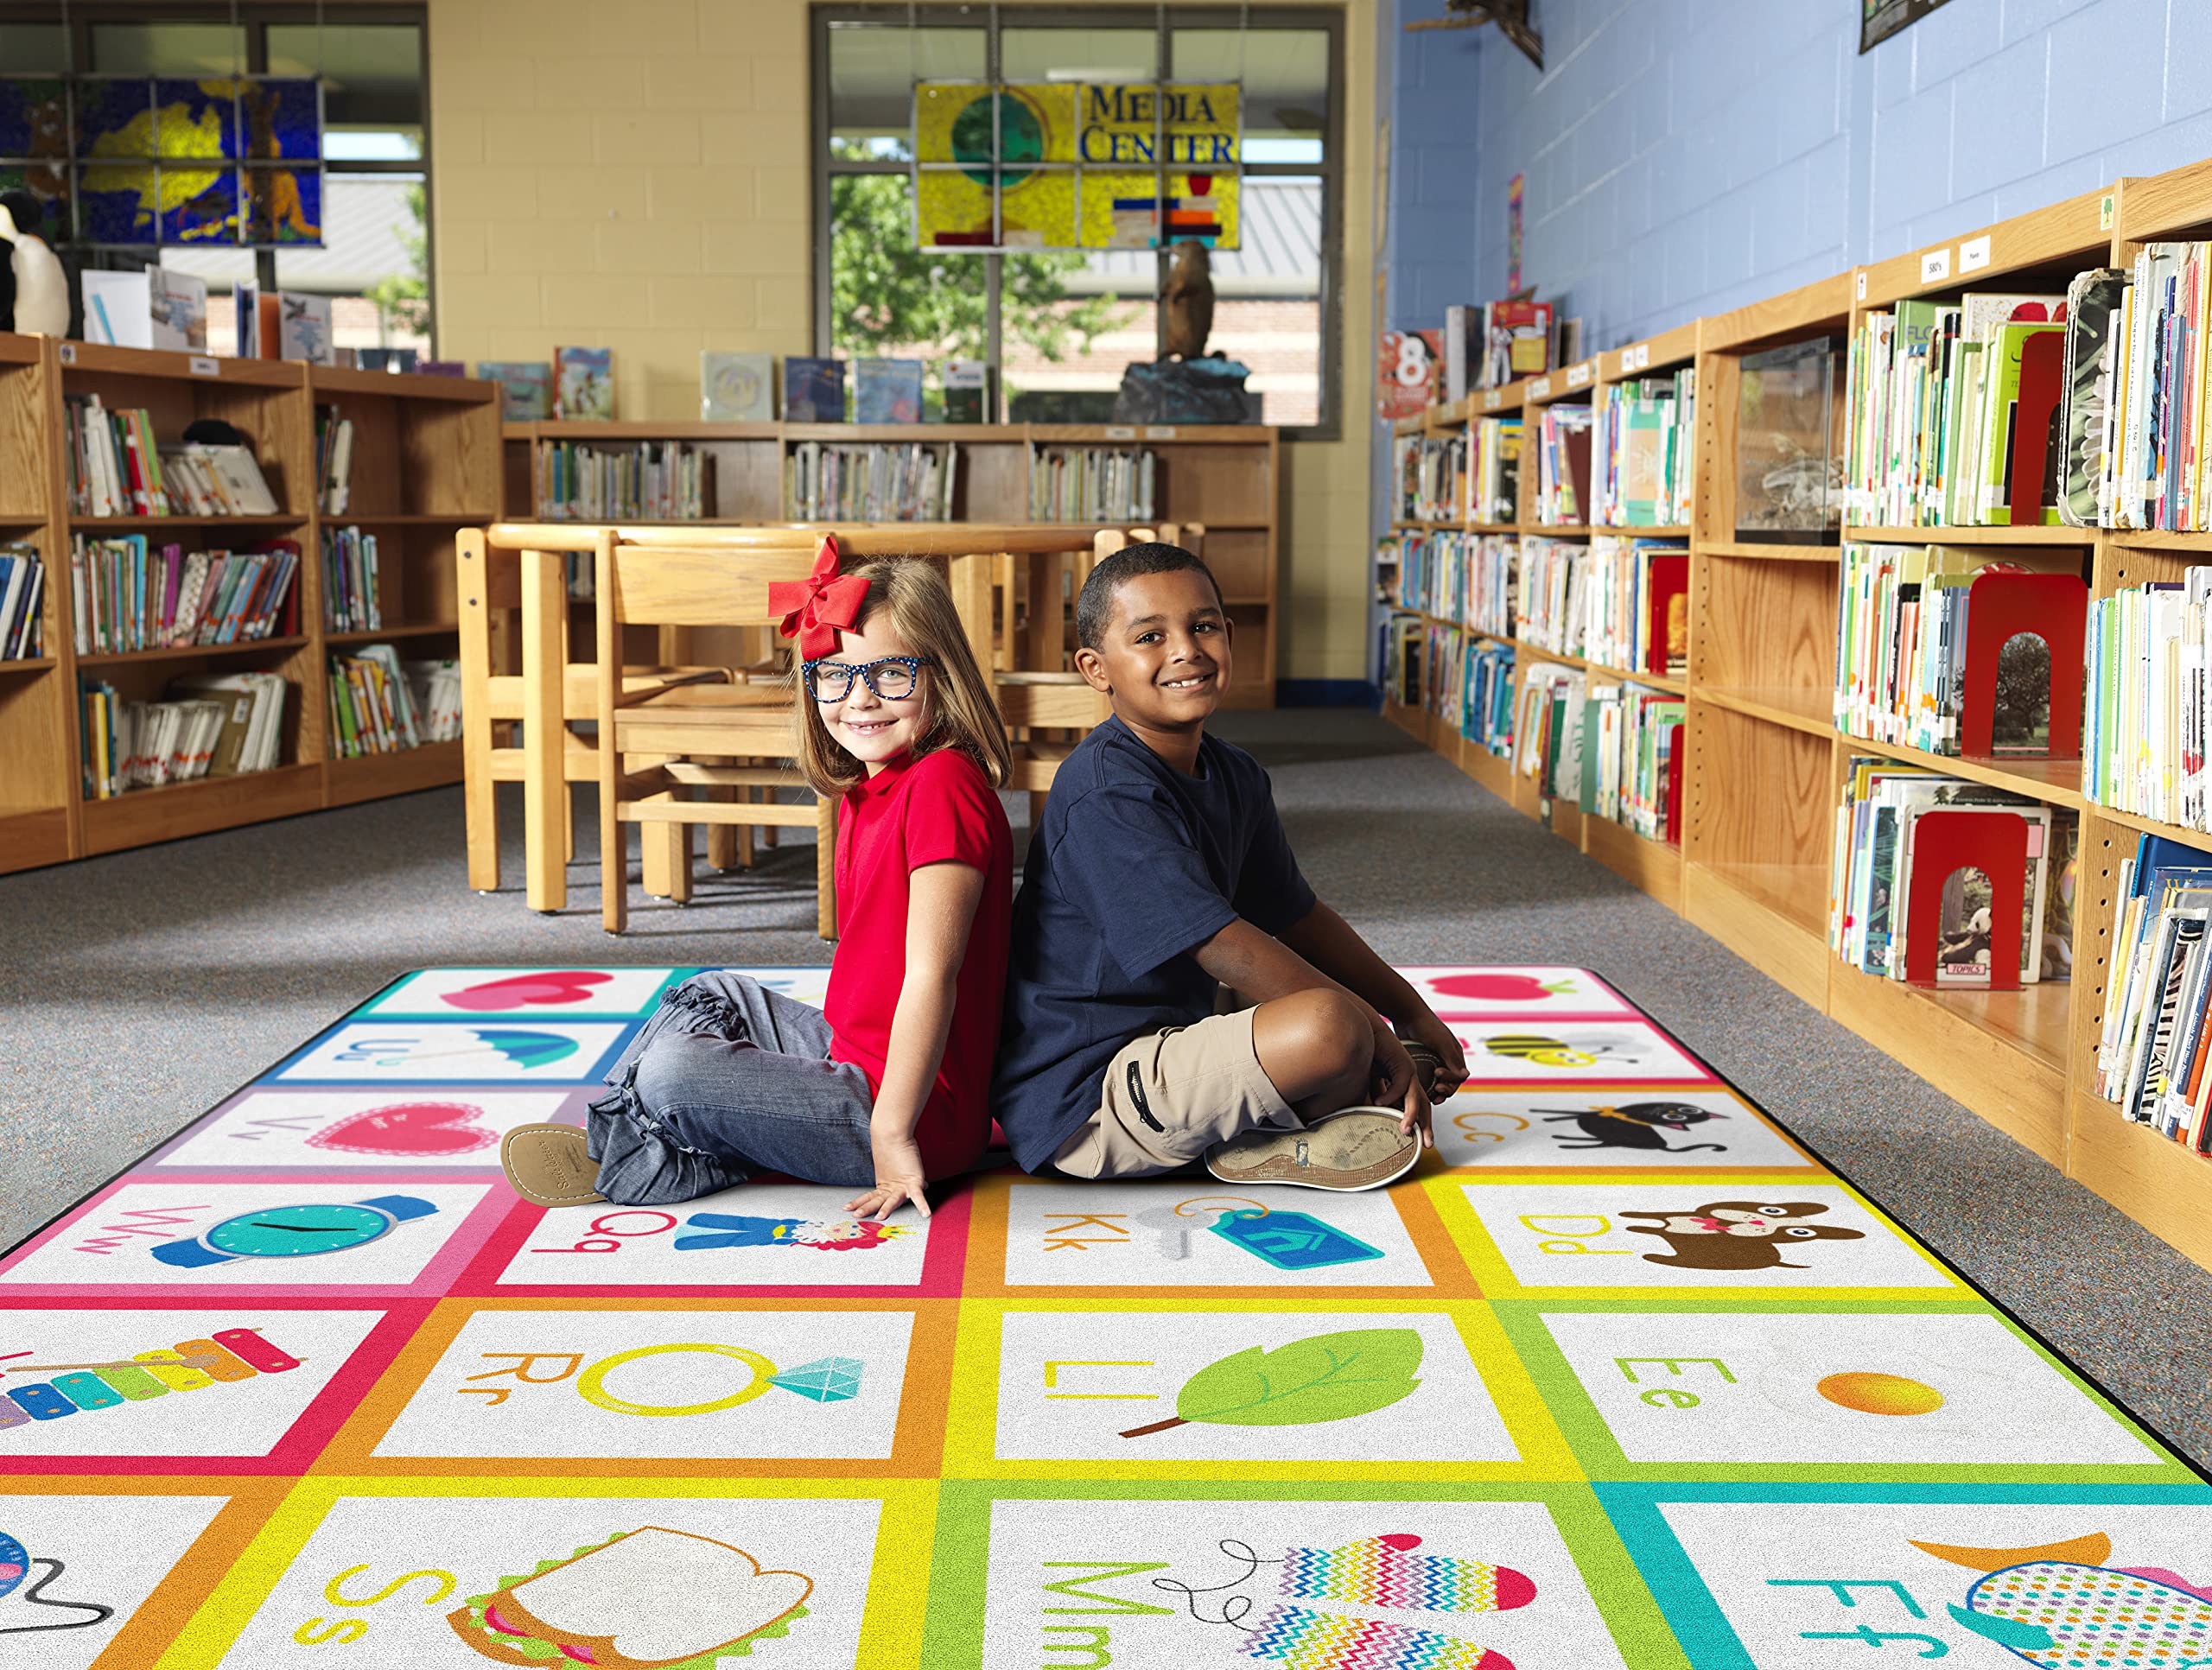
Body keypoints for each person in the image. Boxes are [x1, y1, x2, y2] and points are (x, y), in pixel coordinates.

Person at [500, 542, 1014, 1222]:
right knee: (712, 992)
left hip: (912, 1113)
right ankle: (657, 1126)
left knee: (673, 1073)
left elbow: (931, 977)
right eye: (832, 675)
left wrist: (891, 1133)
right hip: (853, 1052)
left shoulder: (944, 784)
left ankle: (659, 1148)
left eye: (890, 673)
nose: (859, 699)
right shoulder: (871, 788)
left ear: (940, 675)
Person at [991, 542, 1468, 1191]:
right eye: (1150, 636)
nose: (1185, 649)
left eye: (1203, 625)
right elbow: (1219, 944)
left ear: (1230, 634)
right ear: (1096, 669)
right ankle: (1272, 1134)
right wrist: (1370, 1031)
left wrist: (1407, 1010)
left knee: (1325, 1012)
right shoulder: (1104, 790)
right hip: (1089, 1095)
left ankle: (1308, 1102)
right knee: (1330, 1025)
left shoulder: (1234, 772)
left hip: (1177, 1032)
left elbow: (1300, 916)